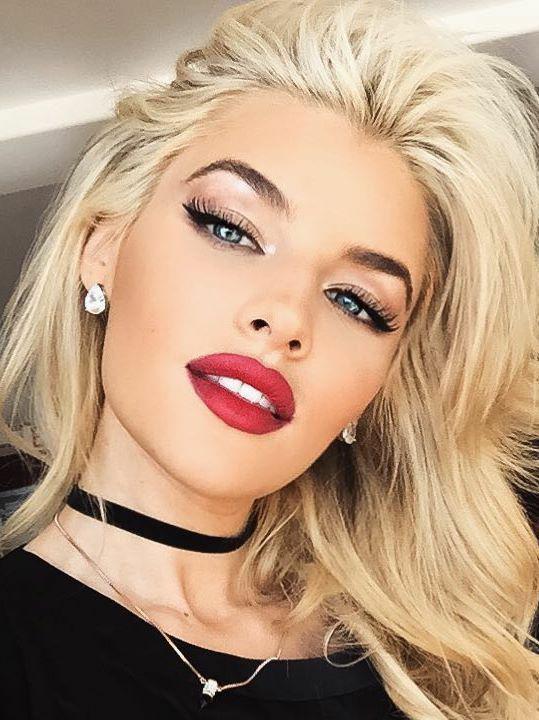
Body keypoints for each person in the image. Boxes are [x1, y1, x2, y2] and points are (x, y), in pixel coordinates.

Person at [0, 0, 538, 718]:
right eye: (231, 229)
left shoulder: (443, 673)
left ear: (379, 385)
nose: (285, 317)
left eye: (356, 302)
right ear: (103, 246)